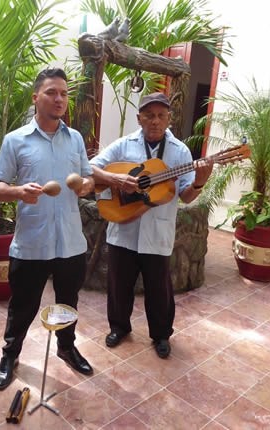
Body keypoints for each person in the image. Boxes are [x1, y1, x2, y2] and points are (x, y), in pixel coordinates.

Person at [0, 67, 95, 390]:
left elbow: (87, 177)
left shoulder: (75, 138)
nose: (59, 99)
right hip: (32, 241)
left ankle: (66, 347)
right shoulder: (15, 140)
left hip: (69, 242)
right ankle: (10, 355)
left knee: (68, 302)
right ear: (36, 97)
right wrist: (19, 192)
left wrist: (86, 186)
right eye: (52, 92)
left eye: (64, 93)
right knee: (22, 305)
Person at [89, 92, 213, 359]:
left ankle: (161, 335)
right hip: (124, 228)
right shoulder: (123, 146)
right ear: (139, 118)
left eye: (161, 116)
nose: (155, 121)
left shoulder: (179, 152)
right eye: (149, 115)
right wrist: (117, 179)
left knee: (159, 289)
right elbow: (90, 168)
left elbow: (186, 196)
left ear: (169, 119)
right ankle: (119, 327)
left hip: (158, 232)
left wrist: (200, 182)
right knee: (119, 284)